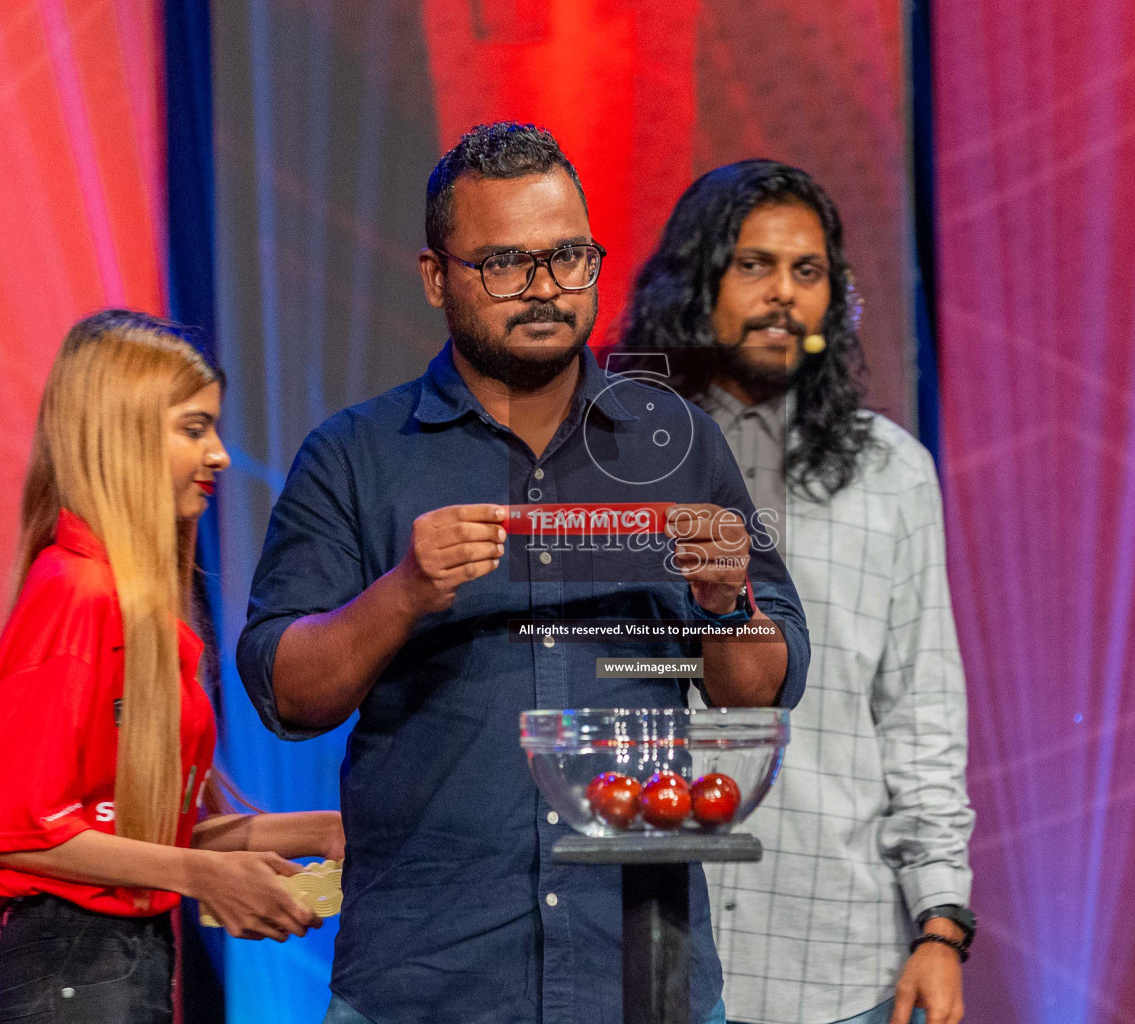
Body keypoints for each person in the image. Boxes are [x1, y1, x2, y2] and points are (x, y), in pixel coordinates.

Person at [236, 123, 810, 1024]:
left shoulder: (675, 442)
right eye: (505, 263)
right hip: (428, 982)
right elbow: (287, 694)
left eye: (568, 257)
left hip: (640, 974)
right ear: (437, 277)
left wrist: (723, 603)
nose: (545, 290)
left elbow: (754, 694)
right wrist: (403, 596)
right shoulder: (354, 457)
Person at [619, 161, 976, 1024]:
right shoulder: (620, 457)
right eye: (753, 265)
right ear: (696, 280)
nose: (783, 294)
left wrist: (941, 924)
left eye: (807, 272)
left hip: (834, 958)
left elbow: (920, 714)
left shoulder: (891, 474)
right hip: (644, 942)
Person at [0, 310, 345, 1024]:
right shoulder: (76, 592)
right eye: (194, 429)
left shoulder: (130, 606)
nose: (220, 454)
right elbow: (9, 828)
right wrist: (204, 875)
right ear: (122, 435)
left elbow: (132, 835)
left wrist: (321, 832)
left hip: (120, 974)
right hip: (75, 982)